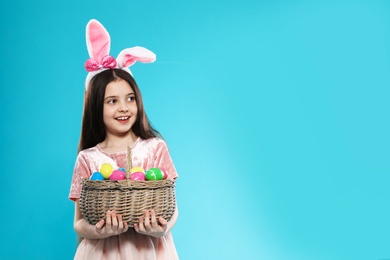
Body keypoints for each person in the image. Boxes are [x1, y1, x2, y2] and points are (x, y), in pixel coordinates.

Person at [68, 19, 179, 260]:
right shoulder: (88, 158)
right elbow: (78, 222)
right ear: (96, 107)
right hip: (101, 252)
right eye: (112, 101)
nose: (124, 108)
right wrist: (98, 231)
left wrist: (163, 228)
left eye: (130, 98)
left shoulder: (154, 148)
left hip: (149, 251)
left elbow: (172, 207)